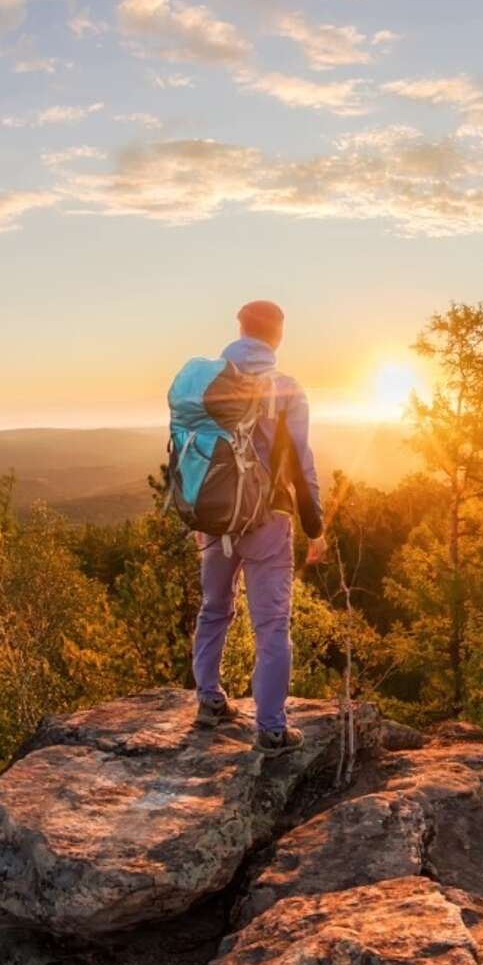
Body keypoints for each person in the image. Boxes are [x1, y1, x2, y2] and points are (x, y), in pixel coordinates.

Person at [192, 300, 327, 752]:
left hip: (215, 517)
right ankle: (270, 729)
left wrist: (200, 513)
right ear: (278, 335)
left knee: (214, 607)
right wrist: (315, 527)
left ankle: (209, 700)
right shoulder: (286, 388)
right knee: (271, 626)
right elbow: (300, 462)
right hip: (267, 520)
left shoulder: (211, 383)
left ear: (240, 328)